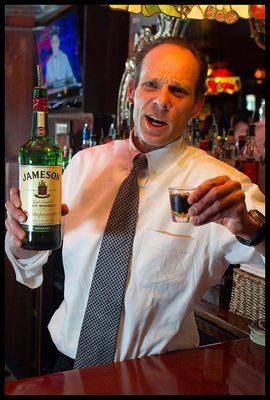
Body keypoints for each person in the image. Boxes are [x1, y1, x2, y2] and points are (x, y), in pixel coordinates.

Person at [5, 36, 265, 373]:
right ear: (132, 91)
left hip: (156, 376)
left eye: (179, 91)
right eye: (151, 85)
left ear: (198, 104)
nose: (161, 101)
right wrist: (21, 239)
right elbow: (31, 260)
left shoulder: (223, 188)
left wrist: (249, 226)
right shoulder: (84, 165)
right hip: (67, 368)